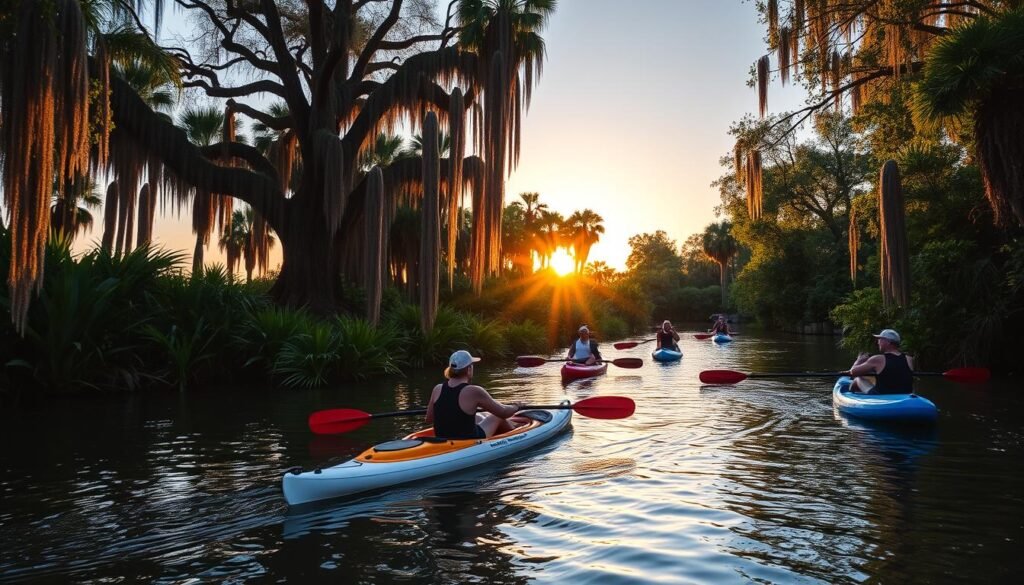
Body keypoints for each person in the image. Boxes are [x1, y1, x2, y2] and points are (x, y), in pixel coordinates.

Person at [426, 350, 525, 439]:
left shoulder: (437, 388)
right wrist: (516, 406)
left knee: (479, 416)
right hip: (469, 439)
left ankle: (512, 428)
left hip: (442, 437)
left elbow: (429, 419)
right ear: (469, 369)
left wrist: (450, 412)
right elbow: (503, 412)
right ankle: (517, 434)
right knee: (496, 416)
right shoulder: (474, 391)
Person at [846, 329, 915, 394]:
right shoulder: (909, 359)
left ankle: (850, 396)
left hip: (881, 397)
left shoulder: (878, 359)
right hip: (905, 396)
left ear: (888, 342)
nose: (878, 342)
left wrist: (859, 360)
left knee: (858, 379)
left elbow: (853, 372)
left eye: (880, 339)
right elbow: (893, 371)